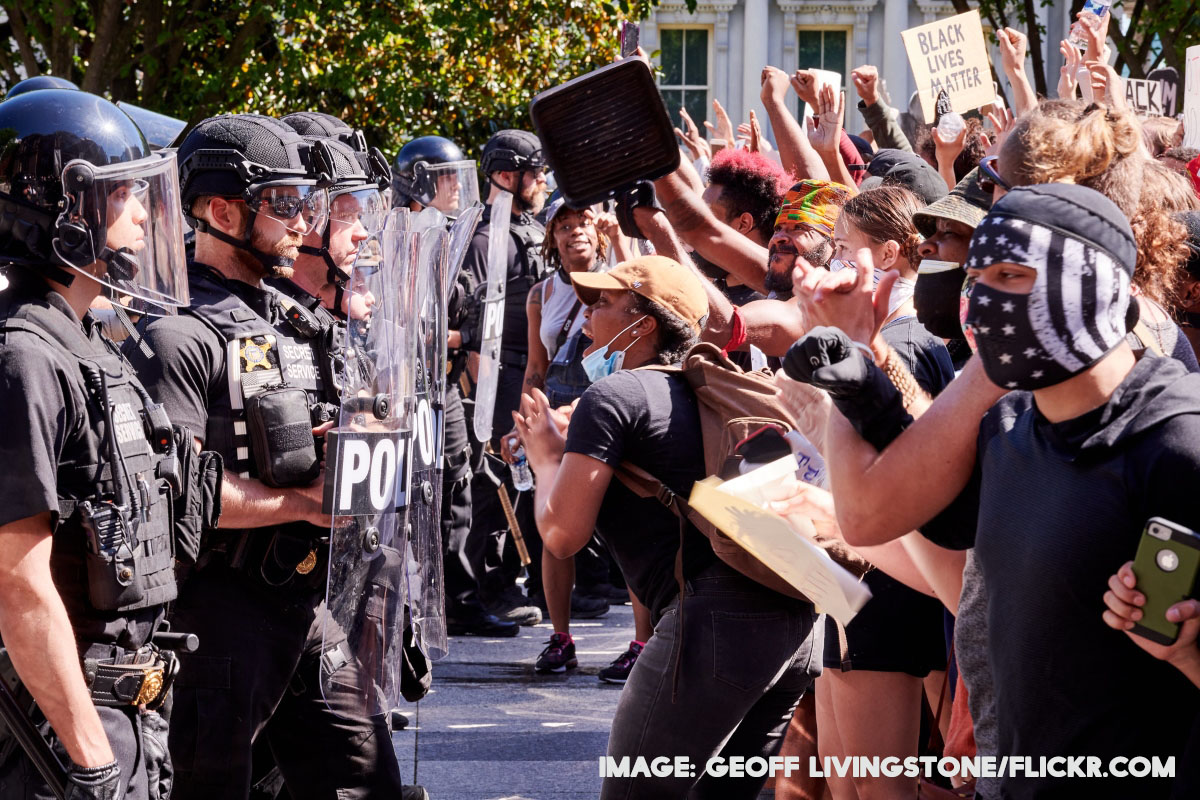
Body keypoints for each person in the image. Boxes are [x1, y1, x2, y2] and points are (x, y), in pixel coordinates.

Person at [828, 184, 1200, 798]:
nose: (982, 301)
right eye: (977, 277)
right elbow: (914, 520)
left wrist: (1189, 652)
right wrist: (857, 378)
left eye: (1012, 274)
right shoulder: (1006, 428)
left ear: (1098, 285)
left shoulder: (1178, 440)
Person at [124, 113, 419, 799]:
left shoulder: (290, 318)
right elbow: (171, 496)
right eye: (285, 202)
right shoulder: (178, 333)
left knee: (364, 784)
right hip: (216, 620)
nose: (301, 221)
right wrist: (301, 503)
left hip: (303, 604)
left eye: (309, 204)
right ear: (220, 210)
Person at [515, 255, 821, 800]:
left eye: (603, 303)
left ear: (645, 323)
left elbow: (562, 535)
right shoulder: (704, 390)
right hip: (795, 627)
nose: (586, 316)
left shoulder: (613, 397)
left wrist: (545, 461)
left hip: (715, 627)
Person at [0, 89, 193, 800]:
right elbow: (16, 581)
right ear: (67, 212)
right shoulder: (25, 356)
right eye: (122, 198)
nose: (143, 216)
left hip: (126, 713)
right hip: (65, 732)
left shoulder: (84, 341)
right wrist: (91, 761)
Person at [796, 186, 955, 800]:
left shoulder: (906, 342)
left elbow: (894, 469)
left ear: (887, 256)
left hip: (885, 586)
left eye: (842, 249)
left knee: (879, 788)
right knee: (850, 783)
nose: (830, 262)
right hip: (856, 579)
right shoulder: (889, 334)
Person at [460, 128, 550, 628]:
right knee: (492, 483)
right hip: (498, 374)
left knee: (526, 482)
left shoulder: (531, 229)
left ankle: (520, 576)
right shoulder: (484, 239)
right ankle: (484, 588)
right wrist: (486, 395)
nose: (541, 182)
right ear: (504, 176)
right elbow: (471, 323)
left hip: (530, 369)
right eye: (534, 173)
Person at [391, 135, 480, 219]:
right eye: (447, 178)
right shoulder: (397, 235)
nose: (457, 186)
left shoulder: (465, 233)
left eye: (457, 177)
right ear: (419, 189)